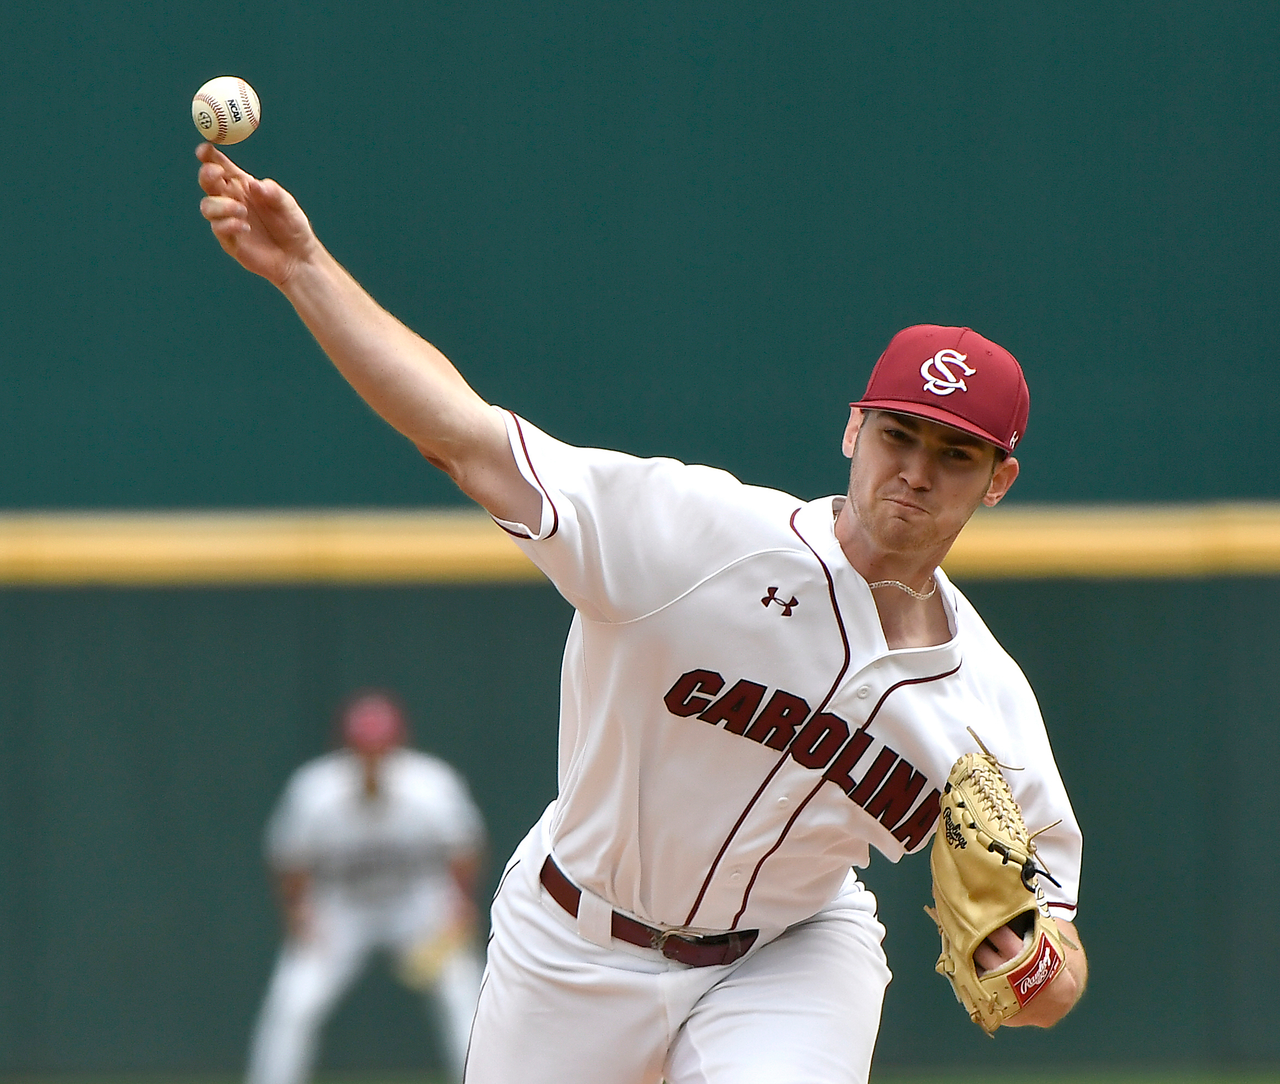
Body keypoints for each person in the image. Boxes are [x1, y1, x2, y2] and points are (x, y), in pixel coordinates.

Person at [198, 141, 1088, 1084]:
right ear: (853, 430)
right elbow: (461, 436)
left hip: (788, 955)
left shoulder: (987, 707)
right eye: (898, 435)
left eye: (955, 454)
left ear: (999, 480)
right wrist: (305, 270)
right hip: (570, 943)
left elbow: (1056, 969)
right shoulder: (697, 536)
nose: (914, 471)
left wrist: (1030, 963)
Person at [246, 690, 486, 1084]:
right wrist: (298, 913)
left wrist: (458, 905)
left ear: (398, 744)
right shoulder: (315, 790)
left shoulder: (431, 785)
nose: (373, 757)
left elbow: (464, 849)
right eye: (364, 747)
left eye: (381, 746)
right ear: (347, 747)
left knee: (464, 996)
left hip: (416, 902)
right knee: (294, 1002)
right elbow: (290, 859)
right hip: (342, 906)